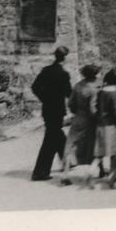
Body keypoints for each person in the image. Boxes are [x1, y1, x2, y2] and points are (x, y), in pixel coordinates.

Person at [31, 46, 72, 181]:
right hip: (58, 110)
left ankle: (69, 160)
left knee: (56, 133)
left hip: (47, 109)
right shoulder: (63, 74)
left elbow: (35, 87)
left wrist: (44, 99)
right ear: (65, 58)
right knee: (50, 140)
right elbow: (68, 93)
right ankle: (40, 172)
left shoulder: (46, 70)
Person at [62, 64, 100, 179]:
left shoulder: (78, 86)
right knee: (95, 144)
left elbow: (70, 103)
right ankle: (99, 169)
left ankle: (65, 173)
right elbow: (94, 109)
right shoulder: (96, 87)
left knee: (71, 144)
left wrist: (76, 112)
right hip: (91, 120)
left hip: (78, 117)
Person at [94, 69, 116, 178]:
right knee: (113, 151)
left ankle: (97, 170)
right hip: (110, 125)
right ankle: (114, 173)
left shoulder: (101, 91)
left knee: (100, 151)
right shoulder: (115, 93)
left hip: (100, 123)